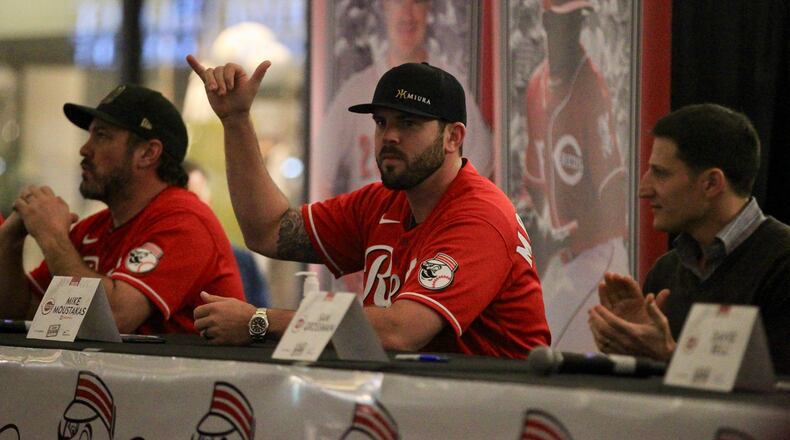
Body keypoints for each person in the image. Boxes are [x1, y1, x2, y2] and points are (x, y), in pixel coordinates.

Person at [187, 55, 550, 356]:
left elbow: (401, 332)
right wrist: (235, 122)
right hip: (419, 402)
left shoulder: (480, 215)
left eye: (408, 123)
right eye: (381, 122)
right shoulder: (382, 201)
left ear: (453, 137)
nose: (389, 136)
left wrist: (259, 321)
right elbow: (268, 232)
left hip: (497, 412)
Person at [0, 84, 245, 334]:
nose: (84, 149)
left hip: (189, 373)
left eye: (102, 136)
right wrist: (9, 240)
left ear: (148, 153)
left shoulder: (186, 221)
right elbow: (22, 312)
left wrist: (52, 236)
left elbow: (115, 318)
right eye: (90, 135)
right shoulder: (93, 229)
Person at [588, 103, 790, 374]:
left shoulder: (782, 263)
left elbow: (777, 399)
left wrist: (669, 356)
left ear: (711, 183)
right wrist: (630, 350)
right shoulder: (666, 271)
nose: (644, 190)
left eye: (660, 173)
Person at [521, 0, 627, 351]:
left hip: (599, 253)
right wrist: (535, 227)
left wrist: (559, 238)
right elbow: (535, 185)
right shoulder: (537, 85)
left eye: (577, 21)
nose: (571, 32)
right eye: (564, 22)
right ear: (547, 21)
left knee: (543, 348)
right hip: (563, 260)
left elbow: (613, 195)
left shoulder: (591, 88)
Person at [312, 0, 493, 201]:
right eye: (380, 122)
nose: (407, 15)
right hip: (374, 228)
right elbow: (318, 171)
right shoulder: (356, 89)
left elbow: (484, 172)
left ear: (428, 9)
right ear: (384, 7)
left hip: (434, 225)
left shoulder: (451, 88)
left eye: (409, 123)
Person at [184, 159, 272, 307]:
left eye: (199, 201)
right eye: (188, 202)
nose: (196, 211)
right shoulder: (162, 259)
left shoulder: (241, 260)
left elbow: (262, 315)